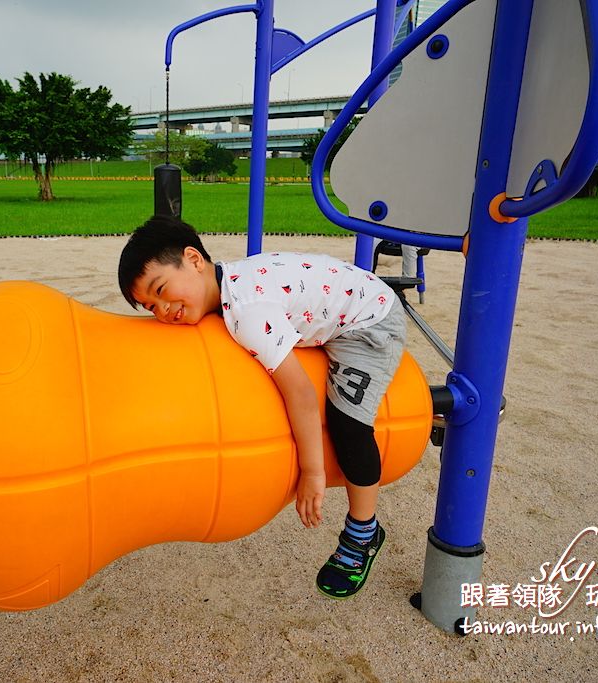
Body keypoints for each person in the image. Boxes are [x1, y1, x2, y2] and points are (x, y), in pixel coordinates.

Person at [118, 215, 407, 599]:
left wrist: (312, 472)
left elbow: (302, 394)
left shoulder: (247, 313)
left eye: (161, 289)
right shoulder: (230, 282)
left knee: (347, 424)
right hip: (347, 301)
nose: (163, 309)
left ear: (193, 259)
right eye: (149, 306)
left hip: (370, 321)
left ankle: (363, 531)